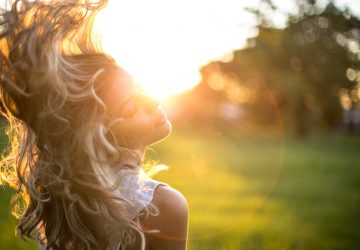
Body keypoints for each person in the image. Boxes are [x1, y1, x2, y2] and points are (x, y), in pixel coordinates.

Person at [0, 1, 188, 249]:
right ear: (99, 136)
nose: (153, 100)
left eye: (140, 88)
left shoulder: (60, 202)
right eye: (130, 108)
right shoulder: (163, 205)